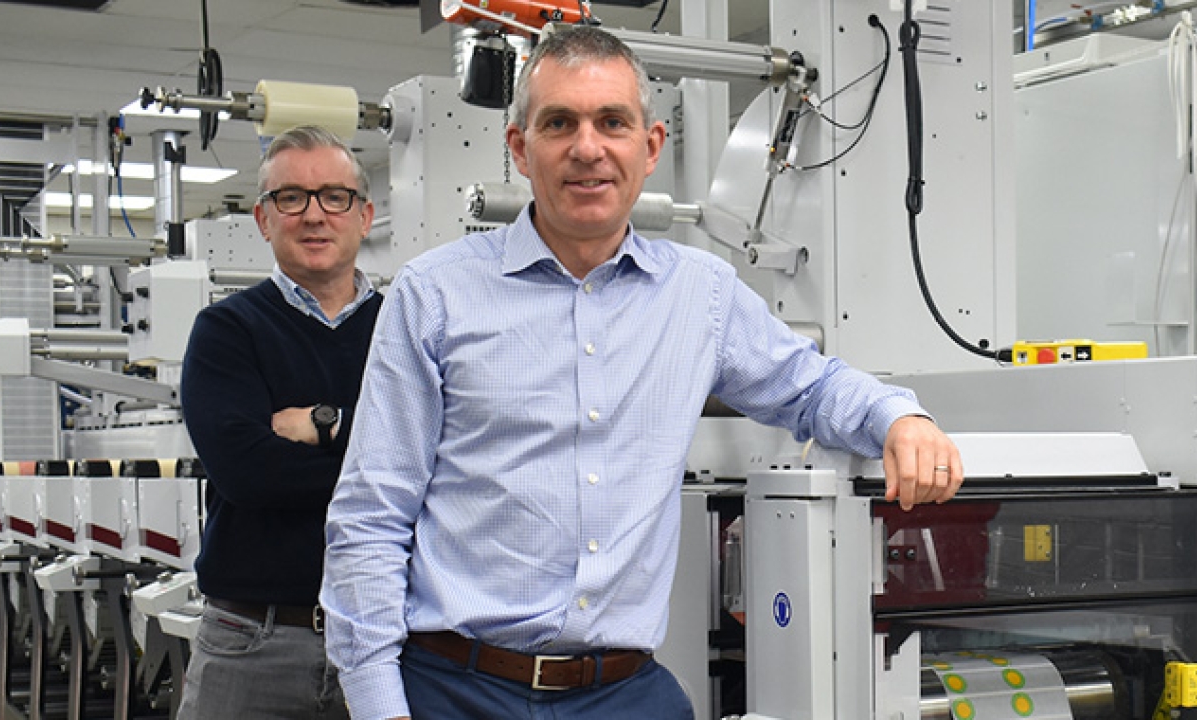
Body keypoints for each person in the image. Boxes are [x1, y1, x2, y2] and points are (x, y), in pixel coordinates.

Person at [321, 26, 963, 720]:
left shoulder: (701, 295)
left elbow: (808, 385)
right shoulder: (434, 296)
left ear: (650, 147)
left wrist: (899, 416)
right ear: (519, 148)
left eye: (612, 123)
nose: (587, 148)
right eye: (559, 122)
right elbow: (370, 516)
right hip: (457, 689)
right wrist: (380, 707)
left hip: (626, 695)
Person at [178, 124, 380, 719]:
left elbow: (447, 461)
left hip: (379, 641)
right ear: (264, 219)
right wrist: (385, 460)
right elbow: (249, 474)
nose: (314, 215)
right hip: (250, 643)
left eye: (334, 196)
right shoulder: (227, 331)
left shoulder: (407, 332)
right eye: (291, 197)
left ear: (364, 215)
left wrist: (328, 425)